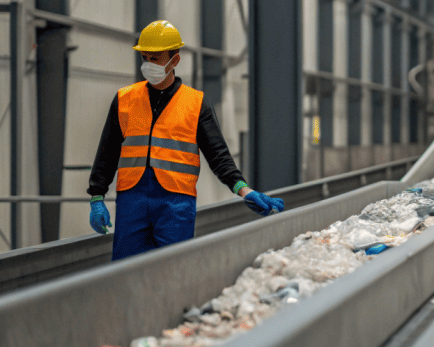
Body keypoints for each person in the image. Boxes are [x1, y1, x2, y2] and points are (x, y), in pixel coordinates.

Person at [87, 20, 285, 260]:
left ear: (175, 60)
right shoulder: (124, 99)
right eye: (145, 58)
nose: (149, 65)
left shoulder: (196, 104)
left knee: (173, 270)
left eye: (156, 58)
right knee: (125, 272)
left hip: (175, 204)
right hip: (132, 201)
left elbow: (218, 155)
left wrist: (243, 189)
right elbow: (107, 151)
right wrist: (97, 196)